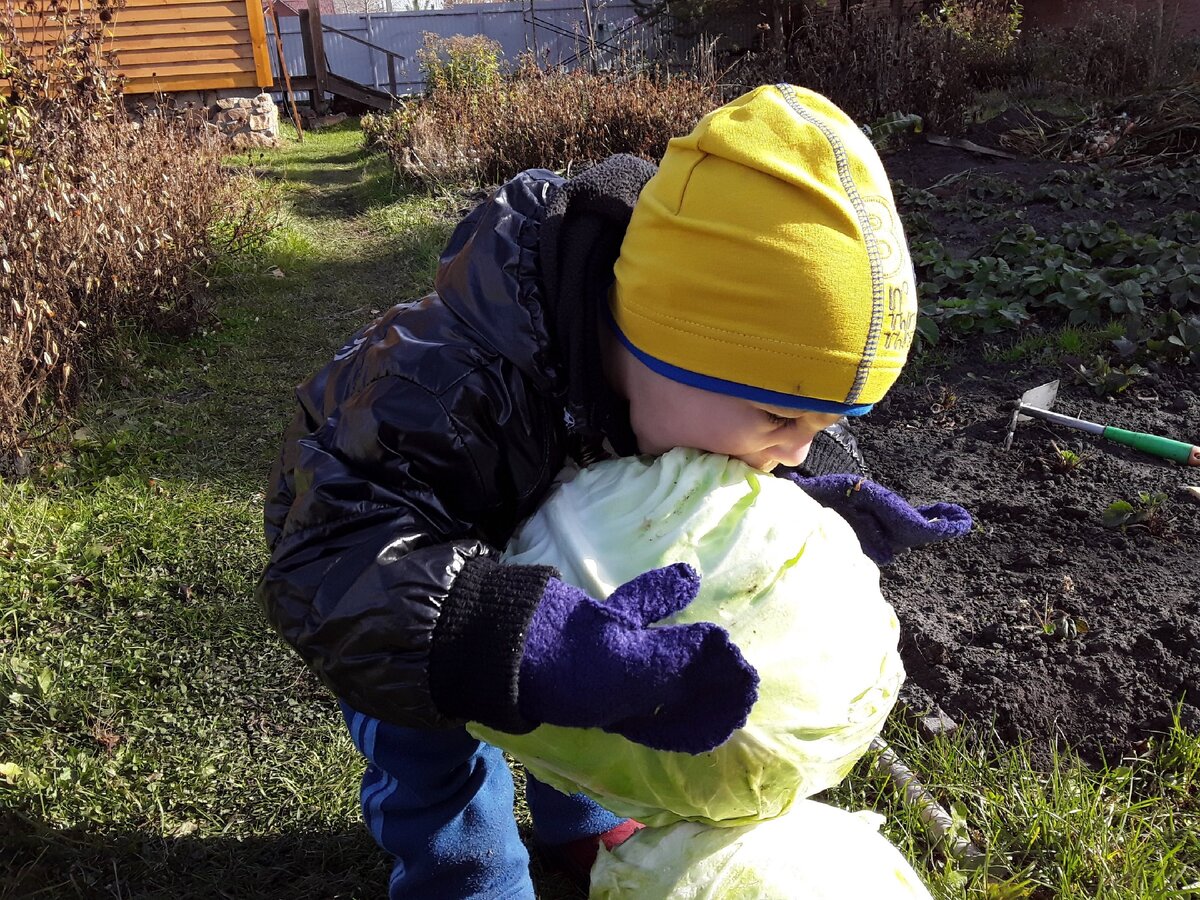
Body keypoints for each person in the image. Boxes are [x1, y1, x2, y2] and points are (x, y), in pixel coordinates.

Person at [257, 83, 971, 899]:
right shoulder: (447, 389)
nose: (798, 450)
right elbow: (334, 566)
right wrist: (503, 638)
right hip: (421, 597)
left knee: (604, 682)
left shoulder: (675, 392)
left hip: (542, 571)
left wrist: (816, 512)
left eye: (825, 427)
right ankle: (465, 874)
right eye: (781, 417)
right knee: (432, 753)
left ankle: (583, 822)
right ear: (662, 339)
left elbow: (732, 456)